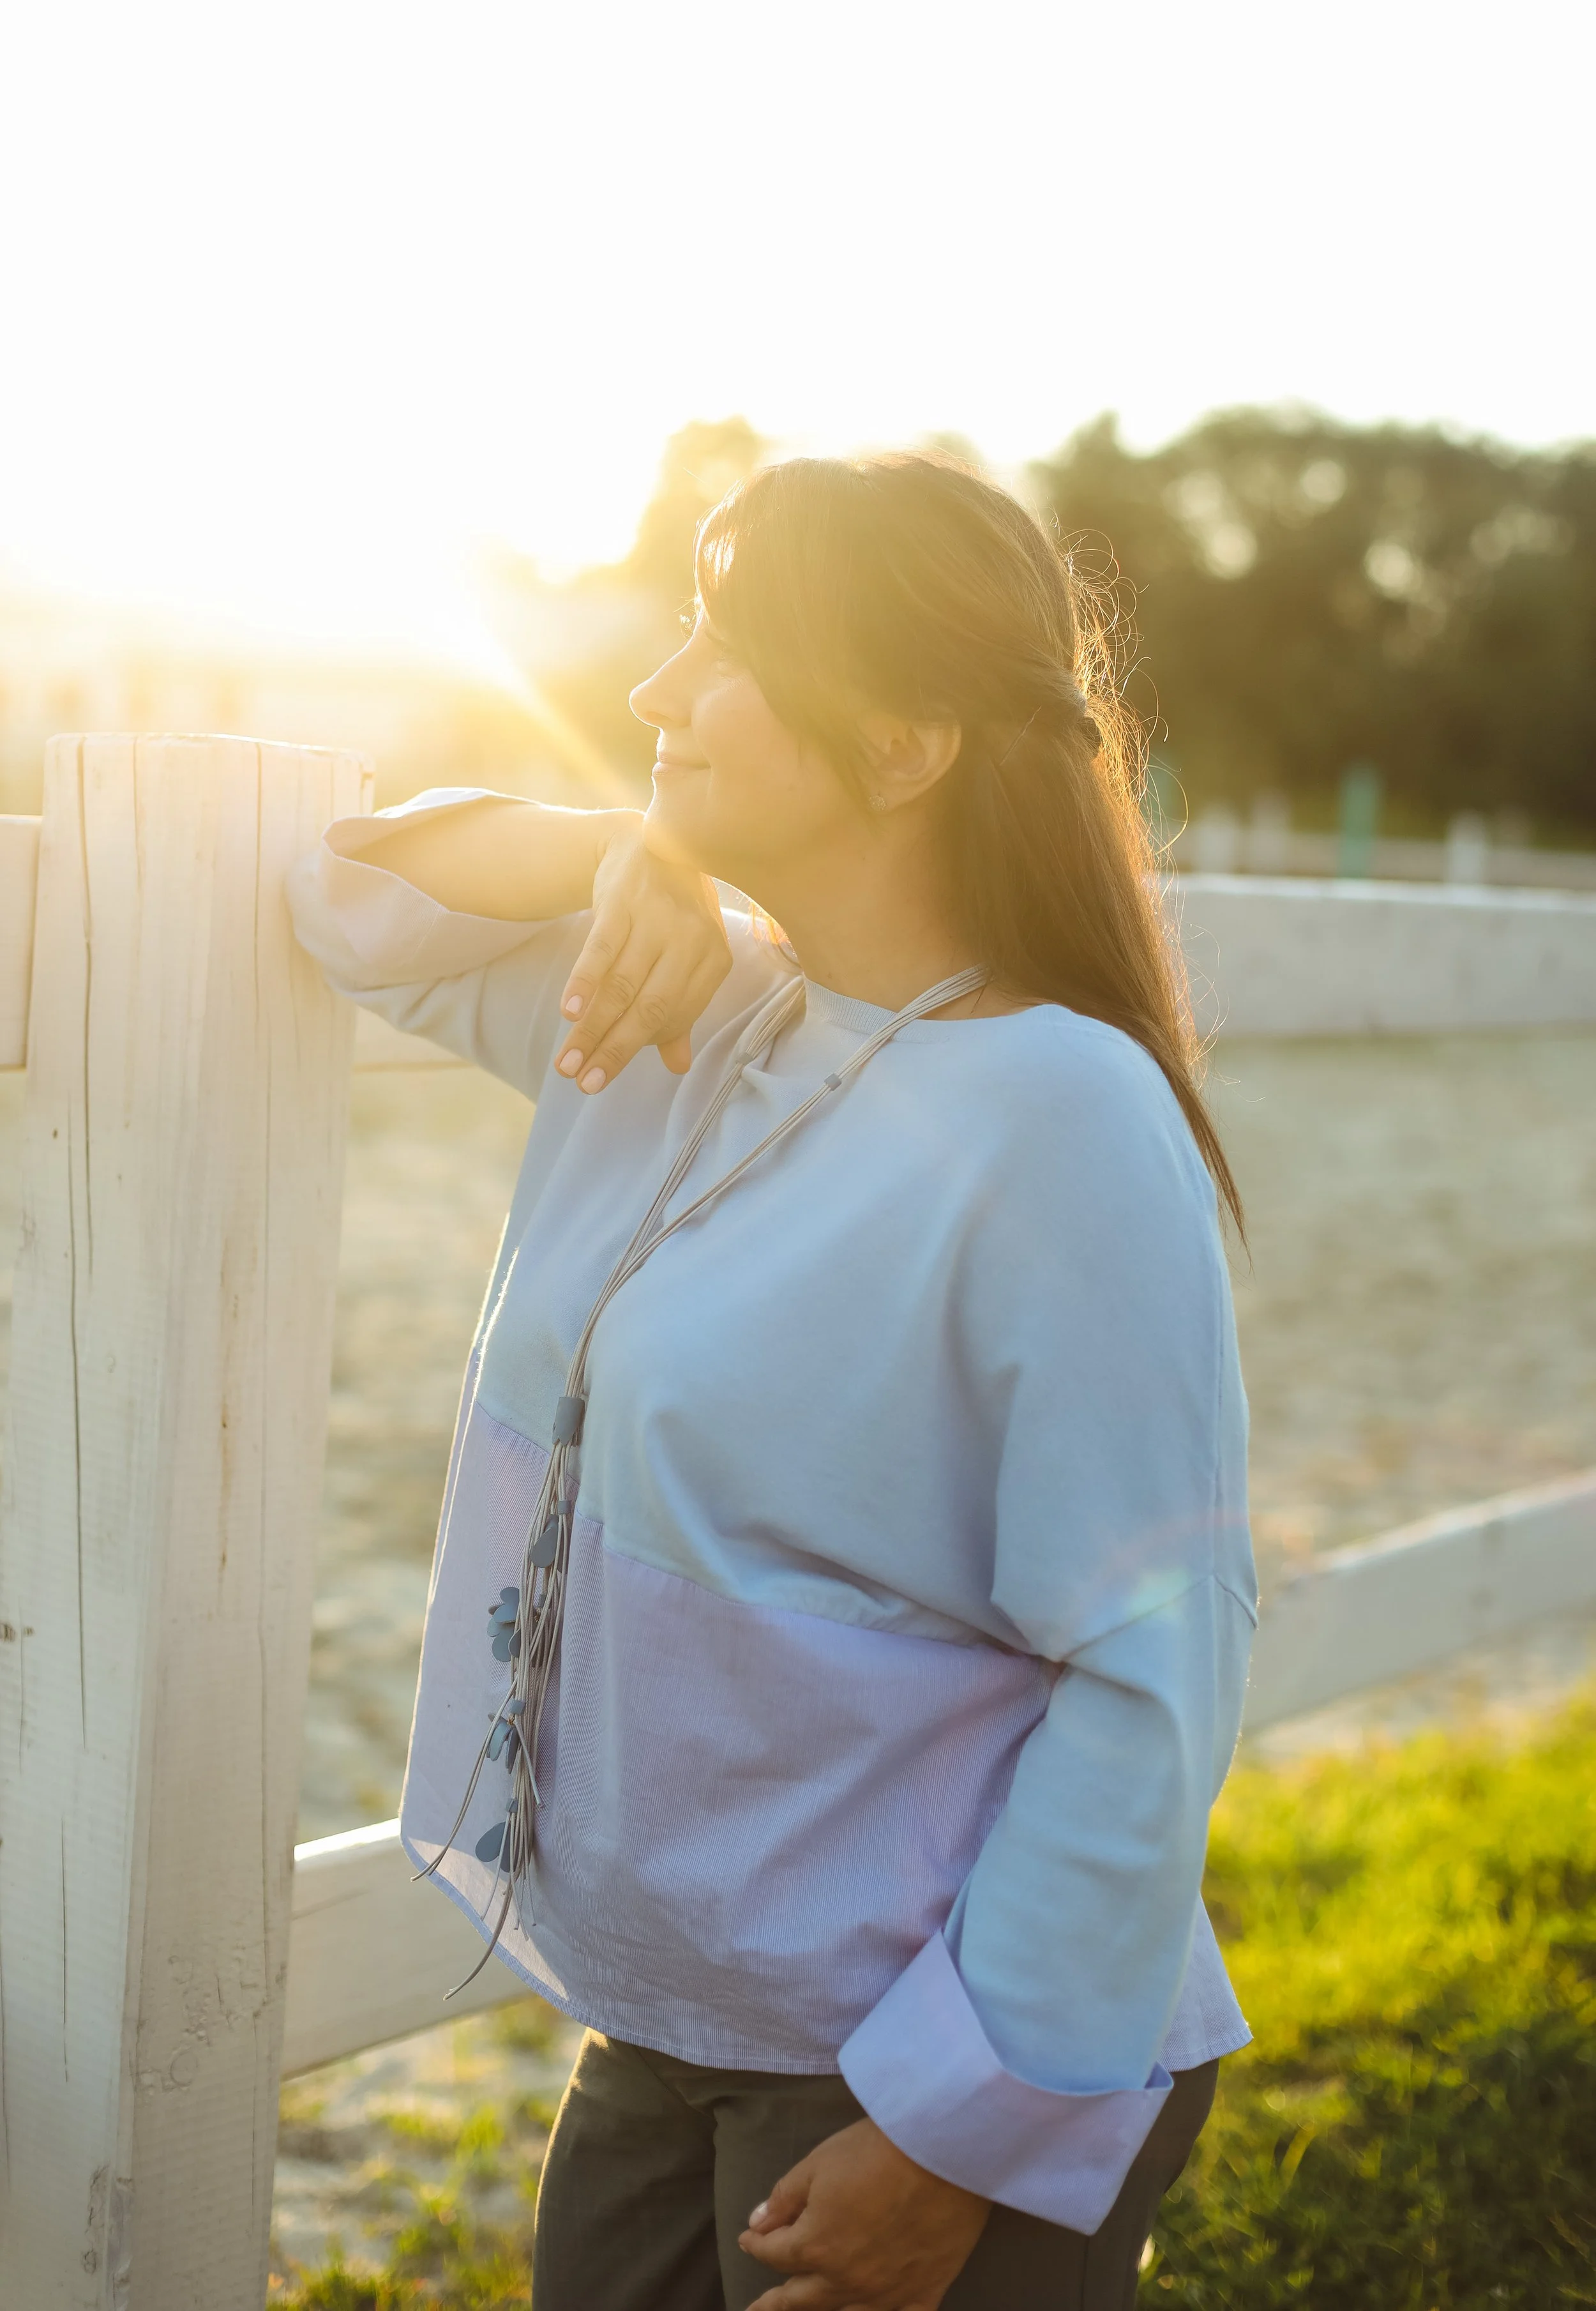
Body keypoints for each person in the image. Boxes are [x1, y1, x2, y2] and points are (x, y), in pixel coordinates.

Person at [287, 453, 1256, 2311]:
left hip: (919, 2037)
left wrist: (952, 2131)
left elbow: (1155, 1672)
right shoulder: (696, 1002)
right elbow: (346, 893)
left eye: (726, 650)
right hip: (674, 2009)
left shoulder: (1066, 1115)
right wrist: (629, 848)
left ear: (902, 746)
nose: (657, 687)